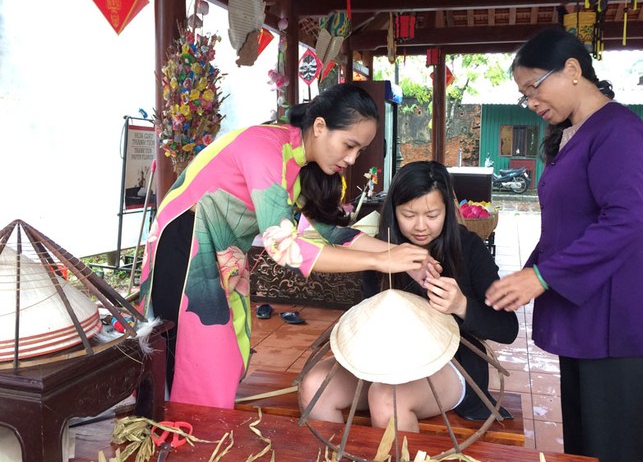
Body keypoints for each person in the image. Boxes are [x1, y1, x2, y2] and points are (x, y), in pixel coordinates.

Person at [139, 83, 432, 409]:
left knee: (221, 359)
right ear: (320, 127)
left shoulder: (295, 162)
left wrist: (396, 255)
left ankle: (199, 435)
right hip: (186, 246)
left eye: (359, 151)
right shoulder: (265, 149)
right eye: (349, 145)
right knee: (194, 362)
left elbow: (323, 232)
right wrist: (379, 262)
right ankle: (179, 440)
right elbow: (285, 247)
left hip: (219, 252)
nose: (351, 159)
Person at [484, 28, 643, 462]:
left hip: (617, 327)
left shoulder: (618, 131)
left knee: (617, 448)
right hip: (585, 324)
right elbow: (566, 228)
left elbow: (625, 221)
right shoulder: (575, 134)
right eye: (523, 95)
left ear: (572, 70)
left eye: (534, 87)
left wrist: (543, 277)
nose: (530, 102)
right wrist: (524, 276)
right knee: (586, 449)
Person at [299, 161, 519, 432]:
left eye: (432, 214)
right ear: (393, 211)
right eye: (408, 214)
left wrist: (461, 305)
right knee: (314, 384)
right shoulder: (381, 251)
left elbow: (507, 329)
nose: (420, 226)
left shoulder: (468, 248)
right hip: (383, 358)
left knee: (386, 398)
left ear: (447, 210)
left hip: (452, 363)